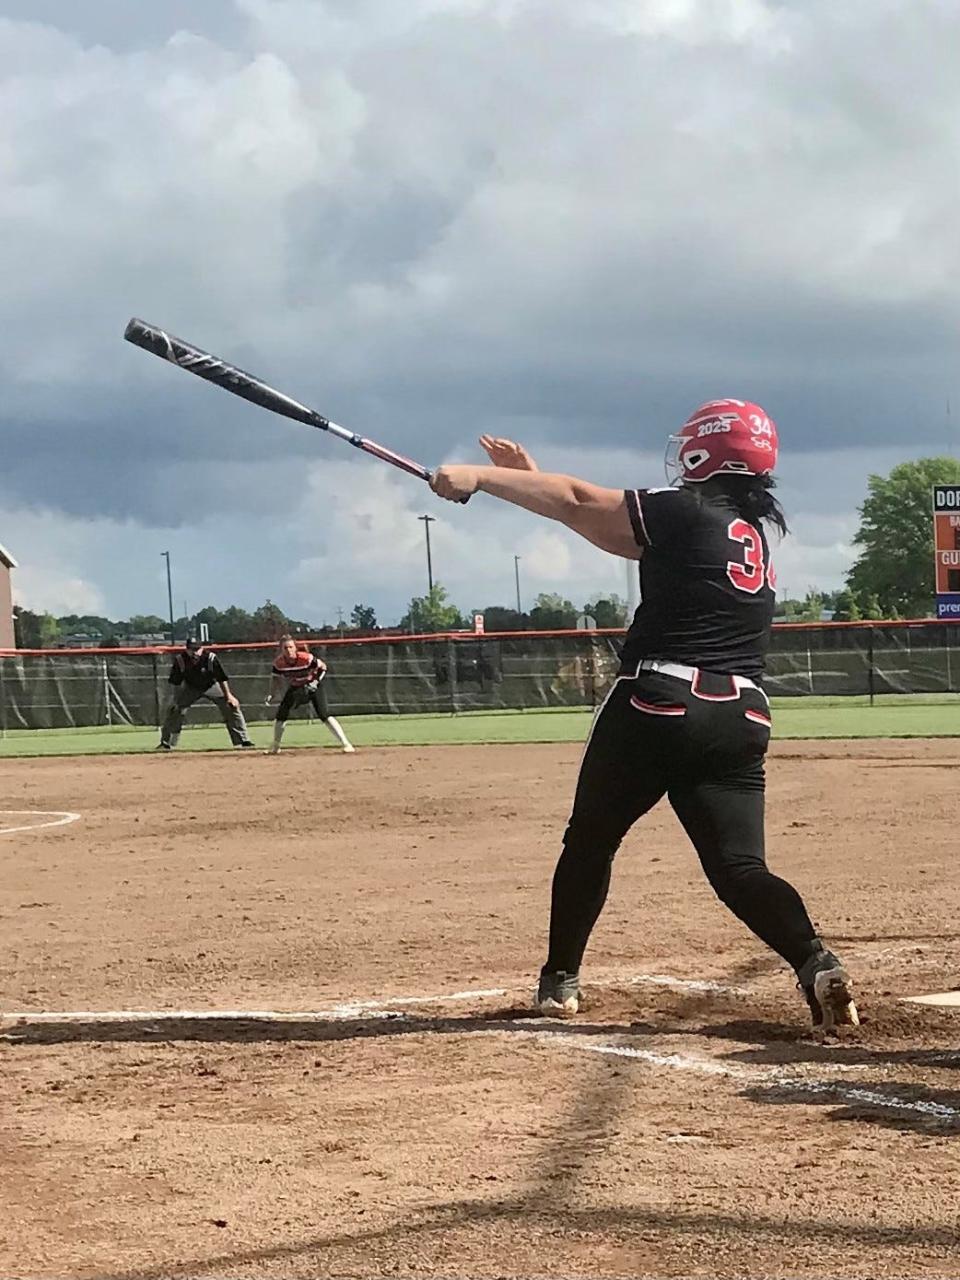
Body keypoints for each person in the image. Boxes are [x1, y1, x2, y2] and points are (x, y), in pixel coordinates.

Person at [432, 402, 858, 1031]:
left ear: (701, 453)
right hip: (741, 713)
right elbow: (587, 516)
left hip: (658, 699)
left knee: (592, 839)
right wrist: (525, 480)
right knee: (740, 869)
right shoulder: (745, 527)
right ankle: (815, 961)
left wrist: (476, 478)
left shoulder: (683, 508)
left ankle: (560, 983)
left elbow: (580, 500)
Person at [157, 638, 254, 750]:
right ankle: (167, 743)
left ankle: (243, 740)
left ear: (202, 648)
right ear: (187, 649)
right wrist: (175, 701)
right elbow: (175, 683)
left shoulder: (210, 658)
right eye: (191, 649)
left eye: (197, 649)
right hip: (190, 687)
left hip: (211, 685)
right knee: (175, 710)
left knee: (231, 707)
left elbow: (221, 678)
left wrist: (229, 696)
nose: (194, 652)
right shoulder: (180, 660)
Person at [265, 635, 355, 754]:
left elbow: (323, 667)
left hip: (313, 685)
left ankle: (346, 744)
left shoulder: (306, 658)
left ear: (295, 648)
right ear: (281, 650)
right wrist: (271, 694)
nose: (288, 650)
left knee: (324, 714)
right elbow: (275, 679)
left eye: (291, 647)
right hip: (296, 686)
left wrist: (315, 682)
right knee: (281, 714)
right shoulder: (279, 663)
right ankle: (275, 746)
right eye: (285, 648)